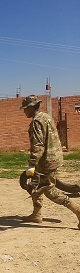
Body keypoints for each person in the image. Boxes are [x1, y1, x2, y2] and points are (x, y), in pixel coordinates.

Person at [20, 95, 80, 228]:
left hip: (45, 161)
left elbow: (38, 146)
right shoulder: (46, 117)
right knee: (35, 185)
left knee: (49, 190)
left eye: (25, 109)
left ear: (31, 108)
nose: (24, 112)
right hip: (53, 157)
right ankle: (36, 214)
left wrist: (31, 166)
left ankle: (78, 210)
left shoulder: (36, 121)